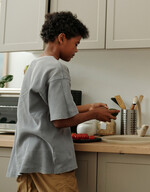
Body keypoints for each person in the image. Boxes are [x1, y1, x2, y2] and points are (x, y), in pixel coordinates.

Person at [6, 11, 119, 191]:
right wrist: (95, 114)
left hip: (26, 159)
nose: (76, 50)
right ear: (61, 38)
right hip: (50, 160)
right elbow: (60, 121)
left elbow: (46, 109)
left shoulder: (35, 65)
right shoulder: (57, 69)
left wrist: (89, 107)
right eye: (76, 43)